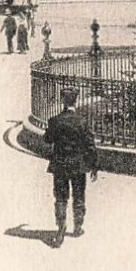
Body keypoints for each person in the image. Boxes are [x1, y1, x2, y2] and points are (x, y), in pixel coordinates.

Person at [43, 87, 98, 247]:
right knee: (79, 195)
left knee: (60, 198)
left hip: (60, 165)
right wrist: (93, 165)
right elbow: (90, 145)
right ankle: (78, 226)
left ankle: (61, 227)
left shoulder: (55, 121)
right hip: (78, 165)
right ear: (76, 101)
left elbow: (47, 139)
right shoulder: (82, 122)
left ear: (63, 101)